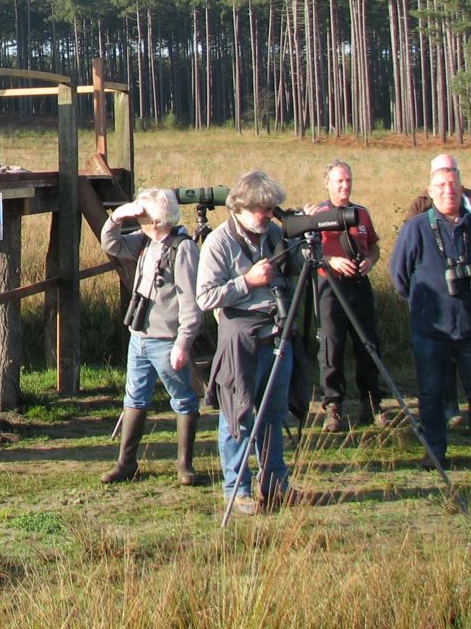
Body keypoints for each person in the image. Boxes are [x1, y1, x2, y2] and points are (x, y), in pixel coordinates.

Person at [198, 171, 295, 515]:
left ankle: (275, 485)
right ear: (239, 207)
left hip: (276, 332)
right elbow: (205, 297)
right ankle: (236, 490)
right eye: (259, 209)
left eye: (270, 208)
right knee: (237, 415)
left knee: (273, 412)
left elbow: (294, 274)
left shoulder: (275, 234)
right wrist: (246, 282)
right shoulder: (219, 242)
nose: (266, 215)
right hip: (240, 335)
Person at [98, 187, 202, 484]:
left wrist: (183, 342)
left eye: (142, 214)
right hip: (139, 336)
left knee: (182, 399)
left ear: (157, 220)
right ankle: (126, 463)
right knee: (135, 397)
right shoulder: (145, 242)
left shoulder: (182, 249)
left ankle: (185, 466)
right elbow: (111, 243)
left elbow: (190, 302)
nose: (138, 218)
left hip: (167, 340)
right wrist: (117, 216)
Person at [389, 159, 471, 471]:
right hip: (431, 329)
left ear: (462, 189)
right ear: (430, 192)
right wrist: (423, 305)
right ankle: (435, 452)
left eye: (453, 185)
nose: (447, 191)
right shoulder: (417, 227)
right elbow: (399, 276)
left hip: (469, 327)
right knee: (431, 394)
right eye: (441, 186)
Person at [309, 161, 384, 431]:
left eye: (348, 180)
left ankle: (372, 402)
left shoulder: (361, 213)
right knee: (331, 345)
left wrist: (370, 261)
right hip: (330, 286)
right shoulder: (317, 214)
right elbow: (308, 252)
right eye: (339, 181)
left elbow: (374, 247)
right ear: (327, 183)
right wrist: (331, 260)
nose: (345, 186)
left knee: (368, 343)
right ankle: (333, 406)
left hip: (359, 285)